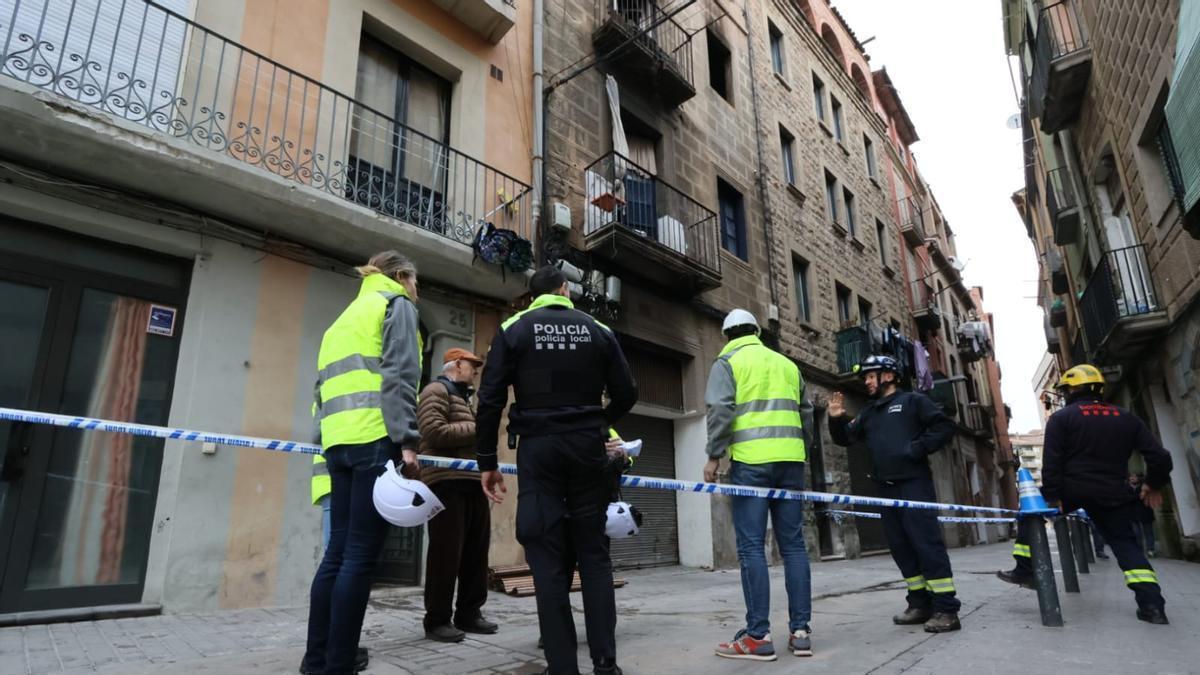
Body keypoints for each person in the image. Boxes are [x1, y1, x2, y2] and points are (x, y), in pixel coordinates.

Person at [475, 265, 637, 675]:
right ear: (564, 289)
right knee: (594, 557)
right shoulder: (597, 329)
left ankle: (562, 667)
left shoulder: (514, 328)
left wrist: (487, 464)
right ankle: (605, 665)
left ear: (533, 295)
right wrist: (599, 422)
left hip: (538, 450)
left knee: (546, 561)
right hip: (587, 449)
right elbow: (627, 392)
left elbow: (490, 399)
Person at [301, 251, 423, 675]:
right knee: (358, 557)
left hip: (337, 444)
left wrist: (326, 442)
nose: (416, 290)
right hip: (376, 438)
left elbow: (320, 391)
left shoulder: (342, 319)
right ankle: (338, 664)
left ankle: (317, 659)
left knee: (336, 553)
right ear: (402, 276)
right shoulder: (395, 305)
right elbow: (401, 375)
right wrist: (407, 441)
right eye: (415, 282)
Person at [704, 309, 813, 661]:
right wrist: (800, 451)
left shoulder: (728, 362)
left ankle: (758, 636)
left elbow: (720, 409)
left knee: (752, 547)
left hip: (751, 462)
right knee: (794, 546)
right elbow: (806, 412)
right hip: (791, 462)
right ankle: (800, 632)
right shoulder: (787, 365)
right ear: (756, 331)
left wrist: (714, 454)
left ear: (727, 335)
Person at [828, 355, 960, 633]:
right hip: (885, 490)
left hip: (914, 486)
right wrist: (835, 419)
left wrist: (917, 448)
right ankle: (919, 604)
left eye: (870, 375)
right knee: (902, 549)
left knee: (927, 546)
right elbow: (845, 439)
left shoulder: (913, 402)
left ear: (888, 375)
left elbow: (944, 427)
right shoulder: (869, 412)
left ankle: (946, 609)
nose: (866, 381)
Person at [1037, 365, 1171, 624]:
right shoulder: (1126, 417)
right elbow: (1160, 457)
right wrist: (1152, 484)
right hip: (1113, 492)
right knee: (1126, 545)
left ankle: (1024, 569)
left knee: (1029, 518)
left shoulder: (1062, 419)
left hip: (1072, 491)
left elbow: (1051, 463)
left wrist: (1053, 496)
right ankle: (1153, 607)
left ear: (1073, 389)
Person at [418, 348, 497, 643]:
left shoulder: (464, 398)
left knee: (476, 553)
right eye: (472, 366)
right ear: (457, 364)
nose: (475, 371)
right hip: (446, 483)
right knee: (445, 554)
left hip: (472, 482)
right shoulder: (436, 390)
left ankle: (469, 613)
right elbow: (434, 431)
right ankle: (437, 619)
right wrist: (479, 429)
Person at [1129, 474, 1158, 557]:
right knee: (1137, 533)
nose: (1132, 478)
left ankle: (1151, 549)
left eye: (1134, 477)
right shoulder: (1127, 488)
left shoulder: (1144, 487)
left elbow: (1146, 497)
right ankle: (1139, 550)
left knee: (1148, 532)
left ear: (1138, 478)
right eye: (1131, 477)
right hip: (1133, 514)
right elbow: (1128, 498)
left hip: (1145, 513)